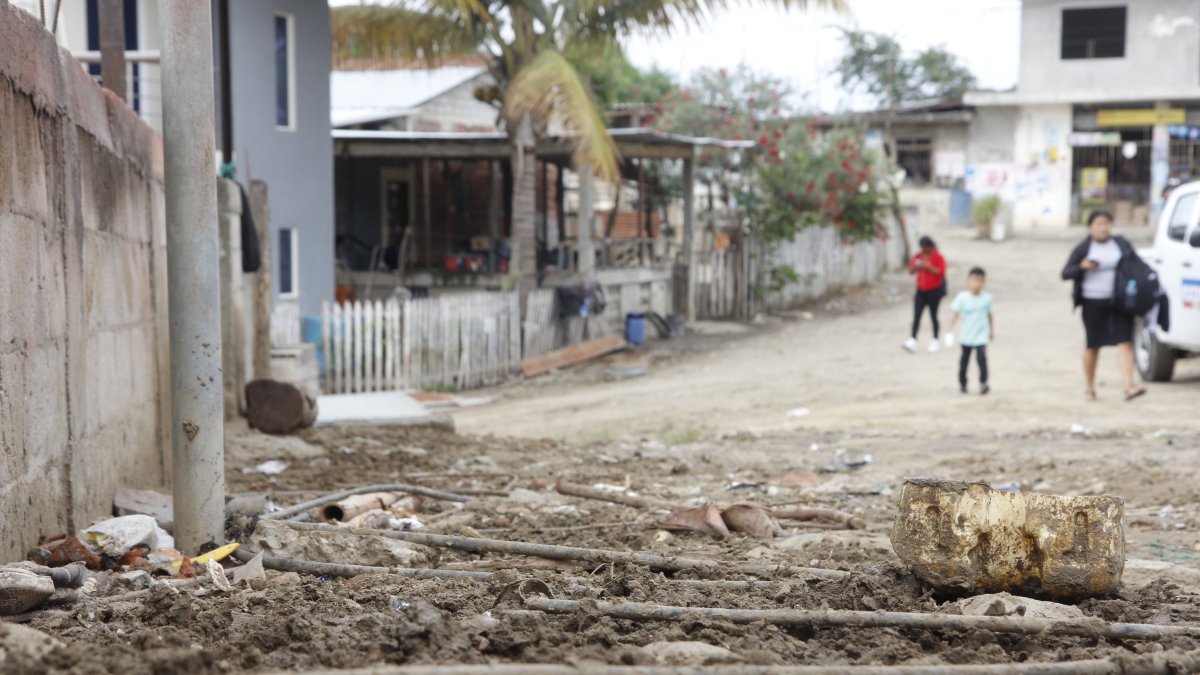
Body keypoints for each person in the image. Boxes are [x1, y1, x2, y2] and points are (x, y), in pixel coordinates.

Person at [1061, 211, 1147, 402]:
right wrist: (1082, 267)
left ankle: (1128, 386)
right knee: (1093, 345)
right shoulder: (1083, 248)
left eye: (1106, 223)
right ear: (1090, 227)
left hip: (1120, 301)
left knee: (1125, 342)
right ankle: (1090, 388)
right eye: (1099, 224)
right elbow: (1065, 273)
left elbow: (1137, 265)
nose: (1103, 227)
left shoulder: (1121, 244)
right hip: (1092, 302)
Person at [944, 267, 994, 395]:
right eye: (974, 279)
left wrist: (991, 331)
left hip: (981, 336)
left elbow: (990, 315)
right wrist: (949, 329)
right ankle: (963, 384)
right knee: (964, 362)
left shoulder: (987, 299)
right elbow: (955, 313)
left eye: (980, 280)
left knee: (982, 360)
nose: (976, 283)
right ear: (968, 281)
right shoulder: (962, 297)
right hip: (966, 336)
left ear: (984, 282)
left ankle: (983, 383)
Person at [904, 236, 947, 353]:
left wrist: (928, 267)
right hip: (921, 291)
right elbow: (911, 271)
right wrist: (917, 266)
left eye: (926, 248)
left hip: (934, 291)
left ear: (930, 247)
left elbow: (941, 272)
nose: (924, 250)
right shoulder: (918, 256)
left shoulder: (938, 257)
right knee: (917, 315)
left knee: (933, 316)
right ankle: (912, 339)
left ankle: (935, 340)